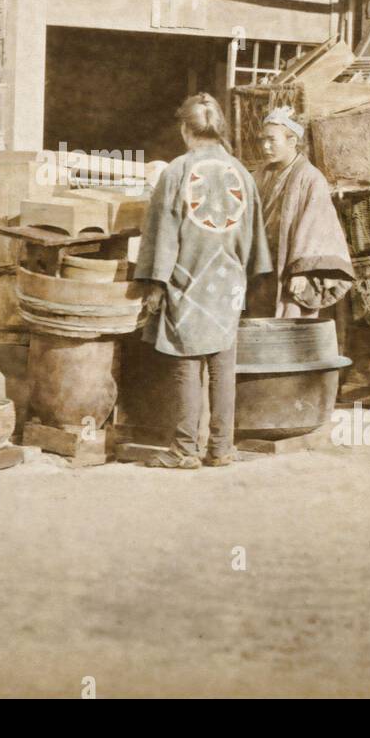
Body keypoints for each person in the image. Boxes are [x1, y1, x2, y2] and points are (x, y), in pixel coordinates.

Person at [135, 93, 272, 469]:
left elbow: (162, 232)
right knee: (223, 364)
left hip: (187, 282)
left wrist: (155, 283)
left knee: (185, 362)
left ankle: (184, 451)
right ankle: (222, 448)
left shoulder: (177, 170)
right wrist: (243, 277)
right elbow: (253, 234)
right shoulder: (241, 173)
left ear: (184, 129)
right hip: (228, 284)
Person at [250, 106, 353, 319]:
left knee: (290, 329)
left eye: (272, 140)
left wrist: (303, 271)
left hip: (290, 268)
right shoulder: (260, 174)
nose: (265, 147)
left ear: (292, 141)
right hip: (261, 267)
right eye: (262, 141)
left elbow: (318, 227)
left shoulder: (311, 179)